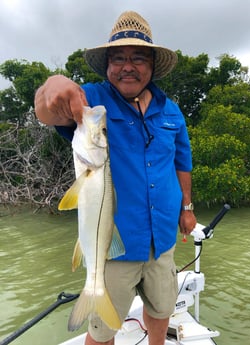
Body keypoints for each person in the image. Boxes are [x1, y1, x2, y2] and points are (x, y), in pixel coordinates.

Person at [35, 11, 196, 345]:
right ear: (107, 65)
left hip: (163, 238)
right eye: (118, 57)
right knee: (102, 330)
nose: (128, 66)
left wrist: (187, 207)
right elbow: (46, 110)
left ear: (152, 66)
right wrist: (52, 85)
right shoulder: (92, 101)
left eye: (138, 57)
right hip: (113, 247)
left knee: (161, 306)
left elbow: (182, 161)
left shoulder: (172, 111)